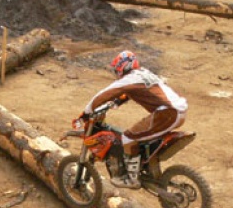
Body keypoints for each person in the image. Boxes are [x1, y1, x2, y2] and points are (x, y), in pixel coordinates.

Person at [81, 50, 188, 189]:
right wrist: (118, 102)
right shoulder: (144, 73)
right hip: (177, 111)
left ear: (122, 67)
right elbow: (134, 92)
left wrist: (87, 112)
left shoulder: (129, 79)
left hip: (167, 114)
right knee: (142, 137)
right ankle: (145, 167)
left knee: (128, 137)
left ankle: (132, 179)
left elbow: (104, 94)